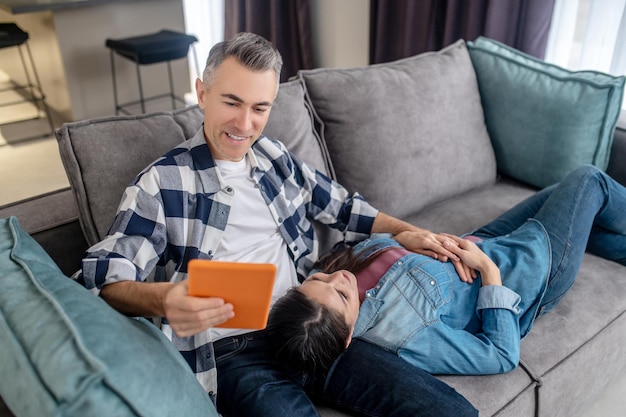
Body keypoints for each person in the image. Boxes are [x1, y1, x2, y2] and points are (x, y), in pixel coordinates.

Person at [80, 32, 477, 416]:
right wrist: (165, 299)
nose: (244, 125)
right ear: (202, 94)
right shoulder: (161, 183)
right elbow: (104, 279)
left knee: (452, 411)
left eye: (259, 108)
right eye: (231, 103)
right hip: (235, 352)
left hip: (310, 324)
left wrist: (404, 229)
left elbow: (342, 207)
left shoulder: (273, 156)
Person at [267, 164, 626, 377]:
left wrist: (405, 236)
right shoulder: (403, 336)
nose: (338, 277)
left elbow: (375, 249)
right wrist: (488, 271)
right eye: (341, 294)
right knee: (588, 181)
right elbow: (500, 355)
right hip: (530, 268)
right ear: (346, 336)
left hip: (483, 239)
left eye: (319, 280)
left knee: (572, 202)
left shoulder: (324, 290)